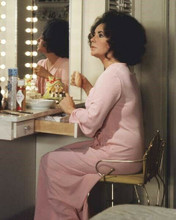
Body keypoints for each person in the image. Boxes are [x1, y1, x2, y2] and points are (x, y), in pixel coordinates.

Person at [34, 10, 147, 220]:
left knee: (50, 161)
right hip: (125, 152)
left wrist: (70, 109)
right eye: (93, 35)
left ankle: (65, 215)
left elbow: (91, 125)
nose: (93, 39)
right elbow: (105, 105)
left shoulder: (113, 75)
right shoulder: (121, 72)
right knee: (59, 154)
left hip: (119, 156)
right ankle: (76, 213)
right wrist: (87, 86)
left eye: (101, 35)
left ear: (117, 41)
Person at [34, 18, 69, 96]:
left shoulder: (66, 65)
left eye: (42, 37)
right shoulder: (41, 64)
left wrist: (48, 75)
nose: (38, 40)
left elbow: (65, 93)